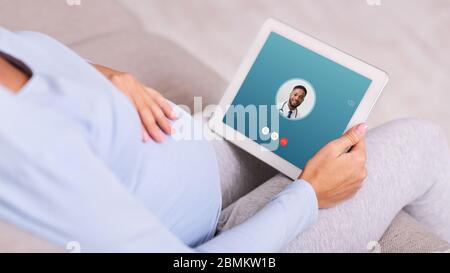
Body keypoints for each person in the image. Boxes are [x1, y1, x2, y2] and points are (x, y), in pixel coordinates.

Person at [0, 28, 449, 252]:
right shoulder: (25, 151)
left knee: (288, 121)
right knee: (421, 142)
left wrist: (104, 77)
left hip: (188, 159)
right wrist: (310, 196)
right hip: (222, 243)